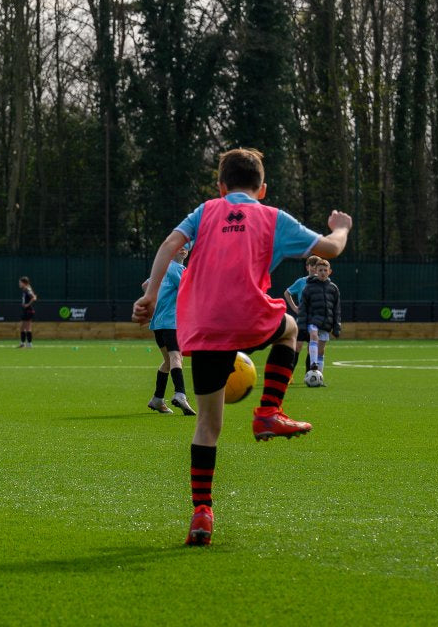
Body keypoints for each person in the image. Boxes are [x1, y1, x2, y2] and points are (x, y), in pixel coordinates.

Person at [132, 148, 352, 546]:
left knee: (207, 426)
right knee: (289, 328)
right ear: (262, 188)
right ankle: (269, 411)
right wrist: (341, 226)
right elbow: (331, 249)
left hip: (202, 327)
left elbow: (168, 244)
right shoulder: (272, 217)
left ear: (220, 186)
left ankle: (202, 513)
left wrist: (149, 295)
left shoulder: (205, 211)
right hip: (249, 316)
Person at [143, 245, 196, 416]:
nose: (183, 249)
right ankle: (180, 394)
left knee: (168, 361)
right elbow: (189, 290)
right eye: (179, 247)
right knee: (176, 357)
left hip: (158, 324)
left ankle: (157, 399)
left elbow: (146, 285)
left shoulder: (164, 269)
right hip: (170, 322)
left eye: (186, 247)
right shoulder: (176, 269)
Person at [297, 258, 340, 385]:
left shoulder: (333, 288)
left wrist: (336, 326)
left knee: (321, 350)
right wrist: (302, 324)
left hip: (326, 323)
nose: (322, 272)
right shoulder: (309, 287)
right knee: (313, 336)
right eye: (320, 270)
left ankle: (319, 378)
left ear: (329, 272)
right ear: (315, 271)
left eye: (325, 270)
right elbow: (303, 307)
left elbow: (337, 309)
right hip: (313, 320)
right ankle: (313, 364)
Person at [284, 255, 321, 372]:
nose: (314, 268)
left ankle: (309, 374)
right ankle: (289, 374)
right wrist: (294, 307)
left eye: (316, 266)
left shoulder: (321, 283)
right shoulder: (301, 282)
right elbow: (287, 293)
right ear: (307, 267)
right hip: (302, 320)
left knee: (312, 348)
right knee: (298, 346)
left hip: (315, 320)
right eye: (312, 266)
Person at [17, 277, 36, 347]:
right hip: (25, 311)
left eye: (20, 283)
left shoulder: (27, 289)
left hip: (29, 310)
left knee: (27, 328)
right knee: (22, 328)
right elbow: (34, 296)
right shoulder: (26, 289)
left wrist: (27, 304)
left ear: (24, 283)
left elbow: (33, 298)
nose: (19, 284)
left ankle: (29, 344)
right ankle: (23, 343)